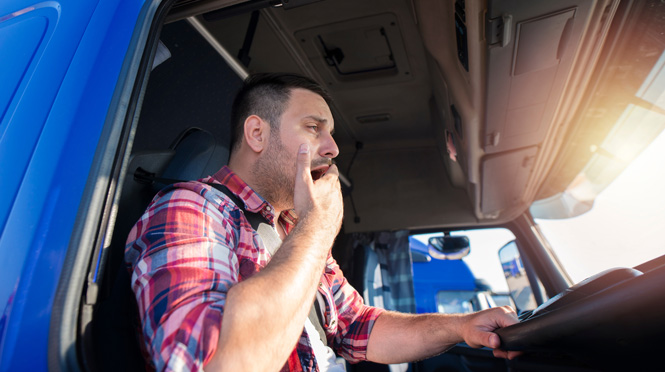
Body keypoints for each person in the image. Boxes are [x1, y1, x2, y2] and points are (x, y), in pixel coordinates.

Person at [125, 73, 520, 372]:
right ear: (257, 133)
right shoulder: (191, 208)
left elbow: (357, 325)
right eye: (314, 128)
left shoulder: (292, 230)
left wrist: (463, 326)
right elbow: (212, 363)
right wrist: (317, 227)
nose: (332, 148)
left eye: (329, 133)